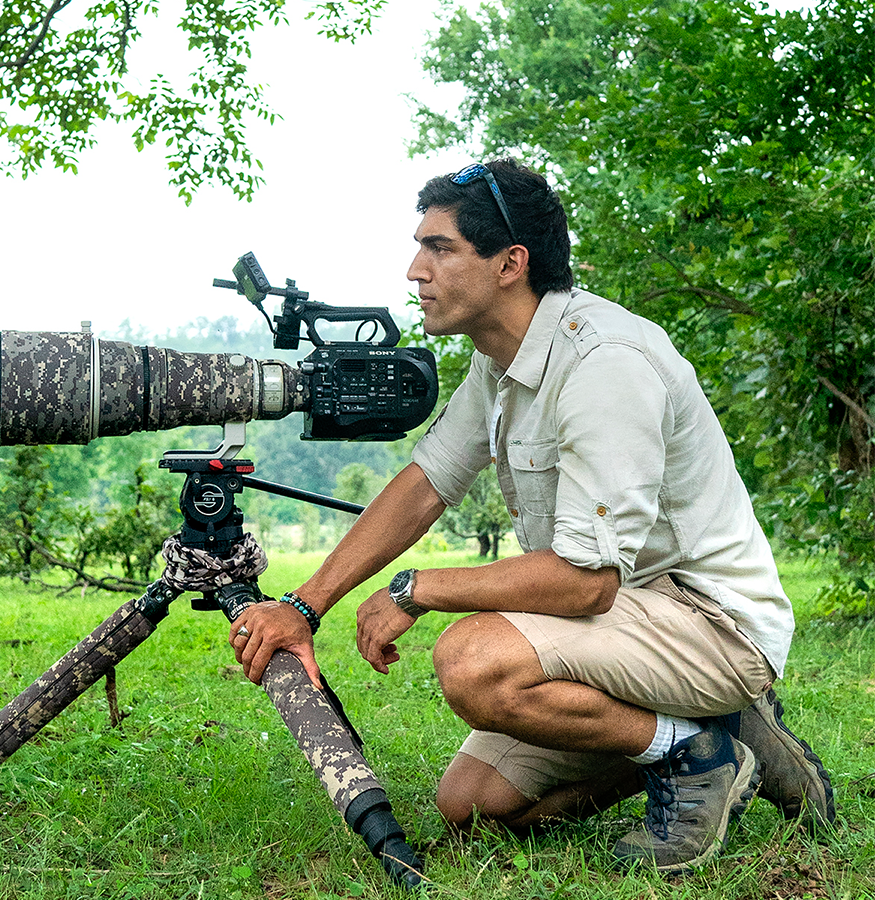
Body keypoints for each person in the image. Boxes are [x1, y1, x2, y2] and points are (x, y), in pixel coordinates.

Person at [228, 159, 835, 872]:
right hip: (628, 621)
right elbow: (425, 483)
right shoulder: (501, 361)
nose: (414, 270)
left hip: (710, 624)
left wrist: (414, 590)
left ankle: (695, 752)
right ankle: (716, 733)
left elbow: (585, 585)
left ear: (511, 263)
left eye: (440, 248)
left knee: (473, 662)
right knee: (475, 803)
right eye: (421, 246)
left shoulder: (606, 363)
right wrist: (305, 603)